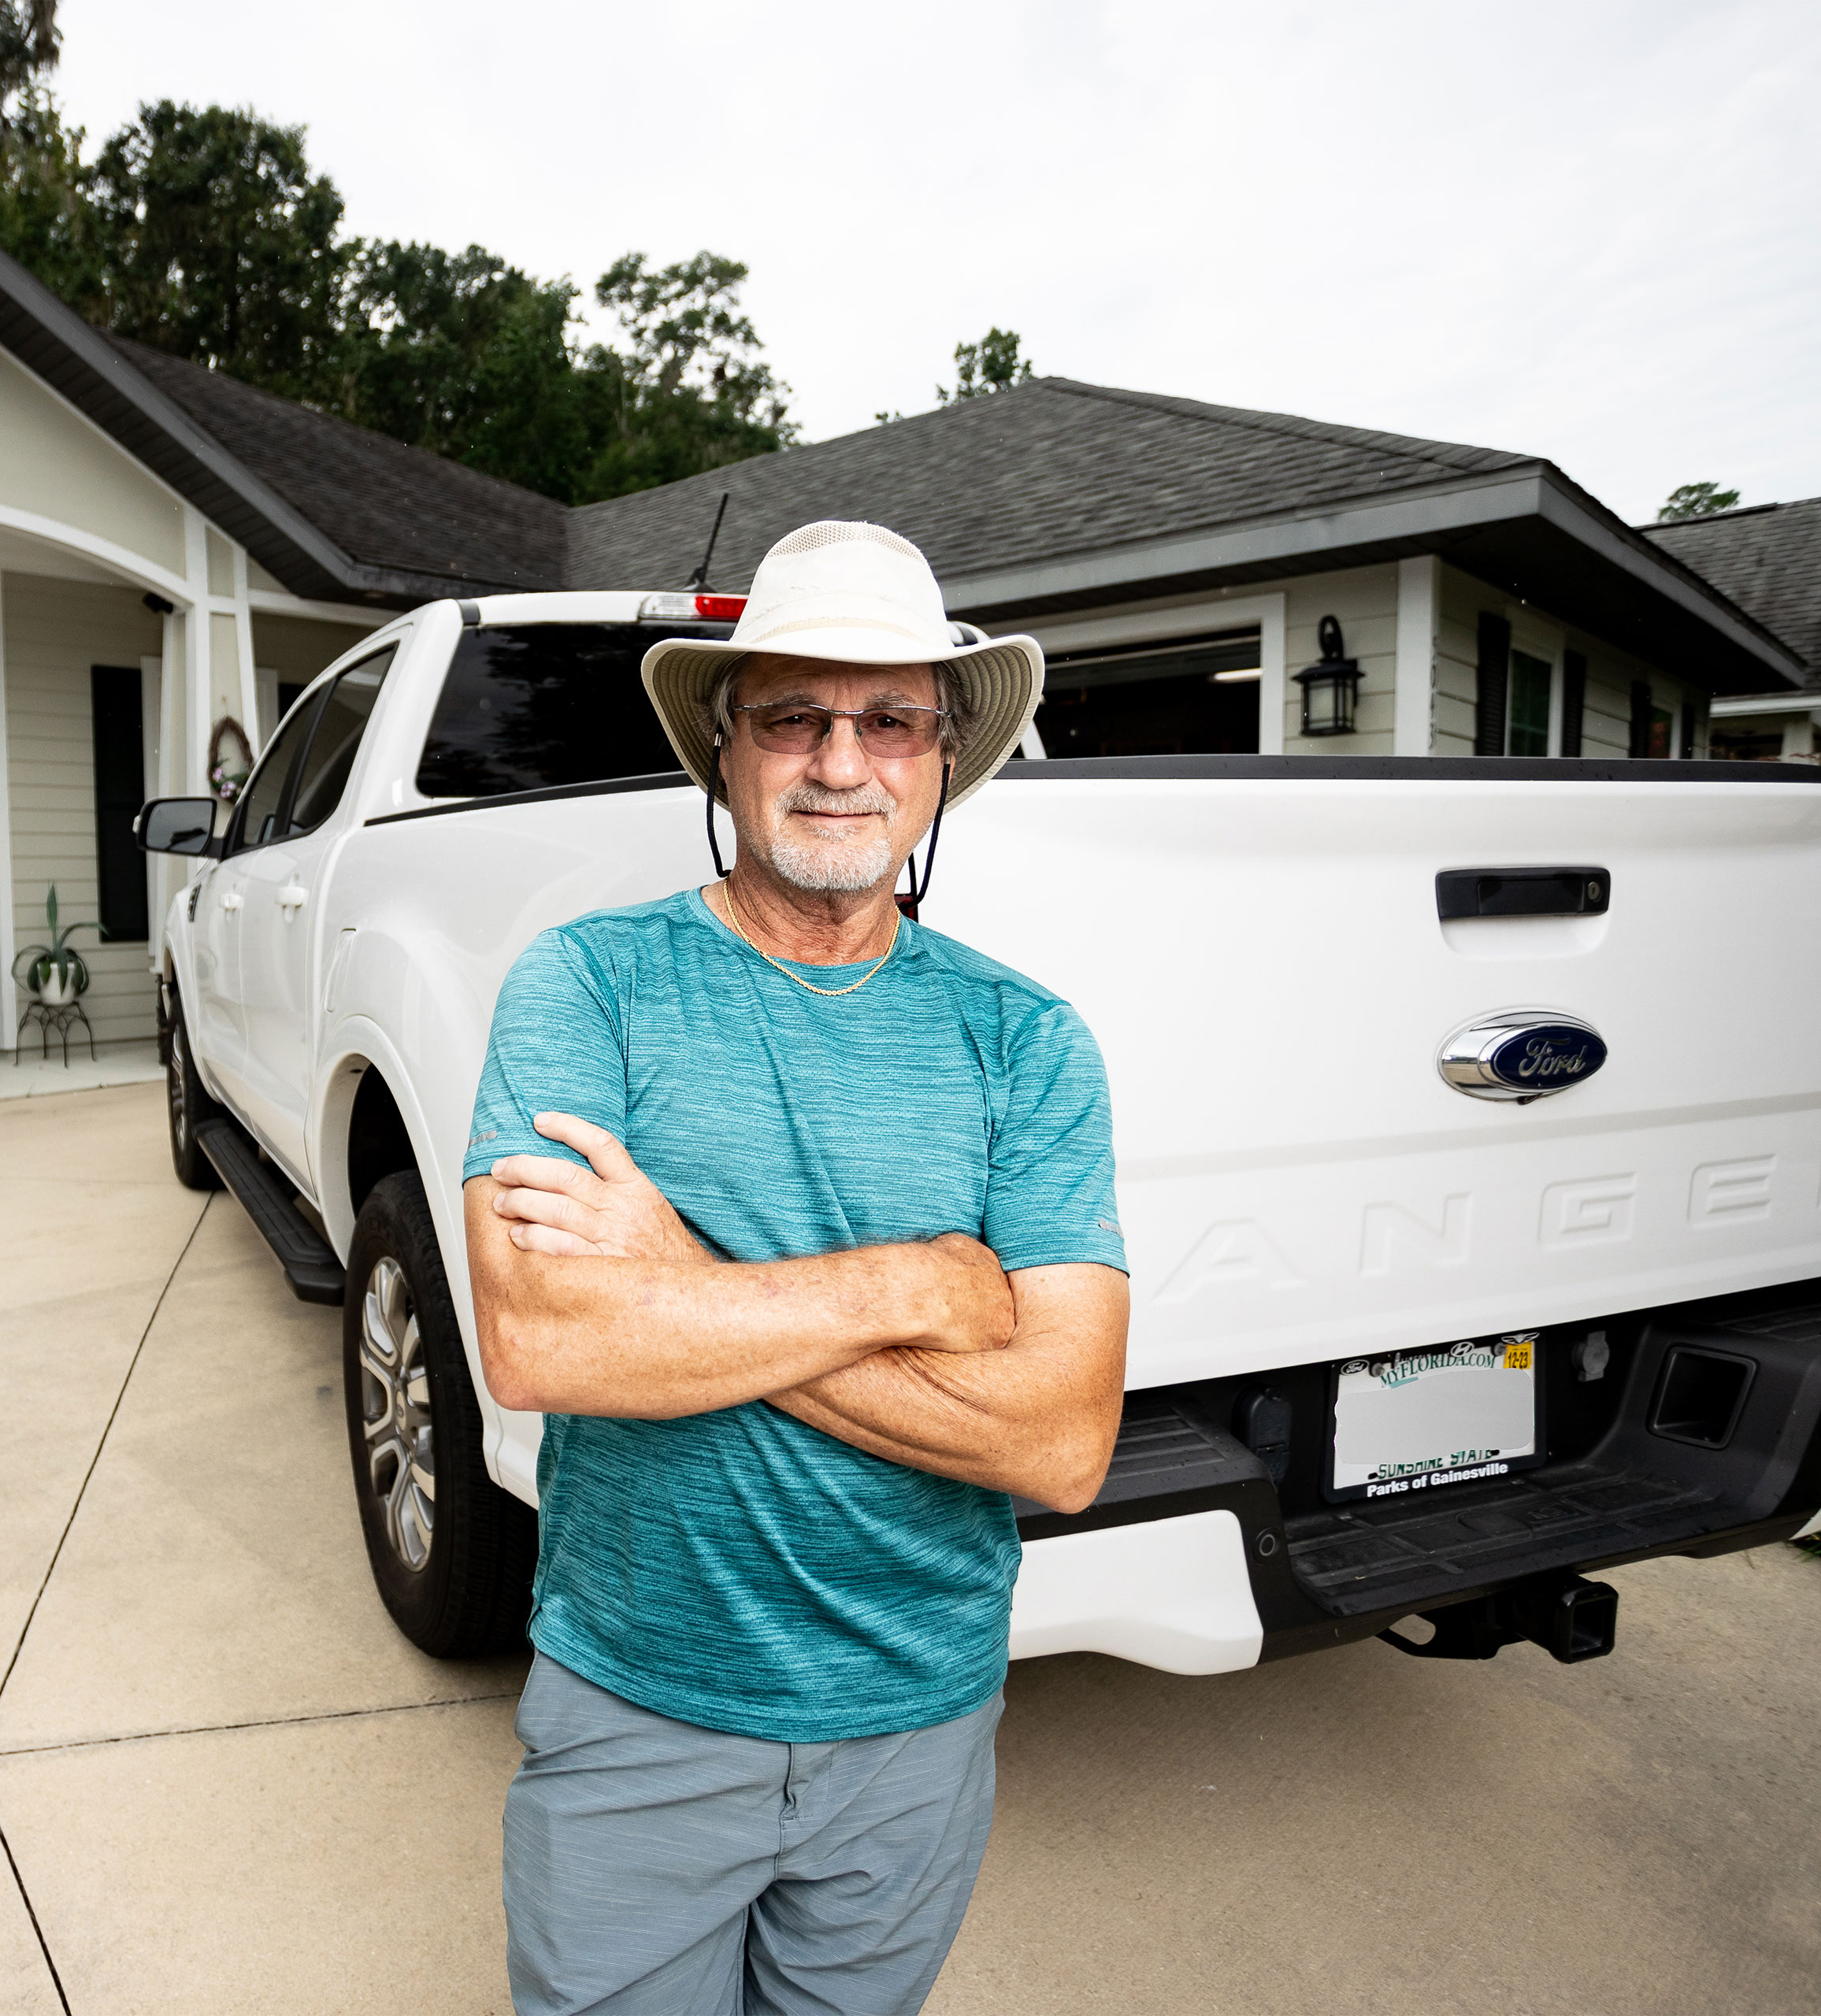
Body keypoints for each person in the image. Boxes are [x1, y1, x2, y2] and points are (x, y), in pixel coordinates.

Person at [462, 521, 1133, 2015]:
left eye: (890, 719)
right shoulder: (590, 984)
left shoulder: (1026, 1044)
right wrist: (919, 1285)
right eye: (795, 718)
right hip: (639, 1707)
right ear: (726, 750)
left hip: (918, 1726)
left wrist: (677, 1275)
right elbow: (542, 1345)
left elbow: (1063, 1439)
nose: (843, 760)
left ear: (942, 761)